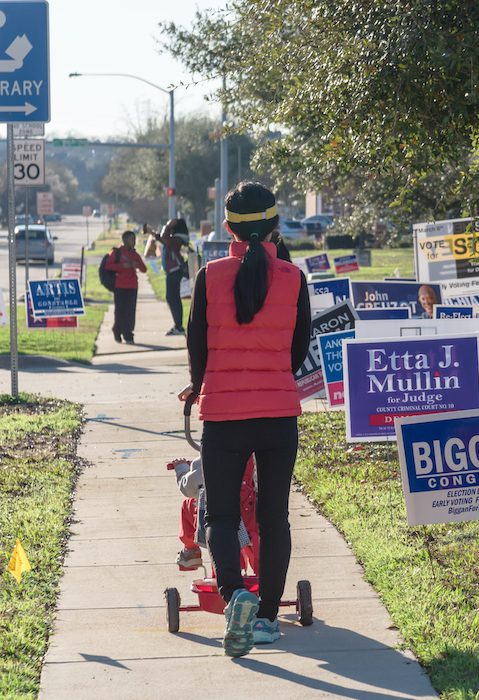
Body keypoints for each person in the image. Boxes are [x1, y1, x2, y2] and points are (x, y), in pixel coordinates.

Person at [180, 182, 311, 657]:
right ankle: (268, 617)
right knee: (274, 516)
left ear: (229, 227)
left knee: (221, 512)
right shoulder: (294, 279)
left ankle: (236, 595)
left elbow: (198, 349)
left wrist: (200, 386)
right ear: (275, 226)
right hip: (279, 416)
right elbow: (298, 354)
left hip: (224, 415)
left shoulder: (208, 276)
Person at [105, 230, 147, 344]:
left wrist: (136, 264)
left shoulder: (135, 254)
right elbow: (108, 266)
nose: (134, 241)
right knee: (120, 311)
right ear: (125, 240)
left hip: (132, 286)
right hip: (120, 286)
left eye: (134, 239)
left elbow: (144, 269)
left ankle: (128, 334)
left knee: (130, 311)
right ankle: (117, 330)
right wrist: (123, 266)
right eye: (131, 239)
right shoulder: (117, 252)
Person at [153, 219, 191, 336]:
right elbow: (163, 239)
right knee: (173, 298)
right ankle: (178, 326)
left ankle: (178, 326)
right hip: (174, 270)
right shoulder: (176, 239)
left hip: (175, 270)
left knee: (172, 298)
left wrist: (167, 225)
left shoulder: (177, 239)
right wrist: (152, 233)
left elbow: (165, 238)